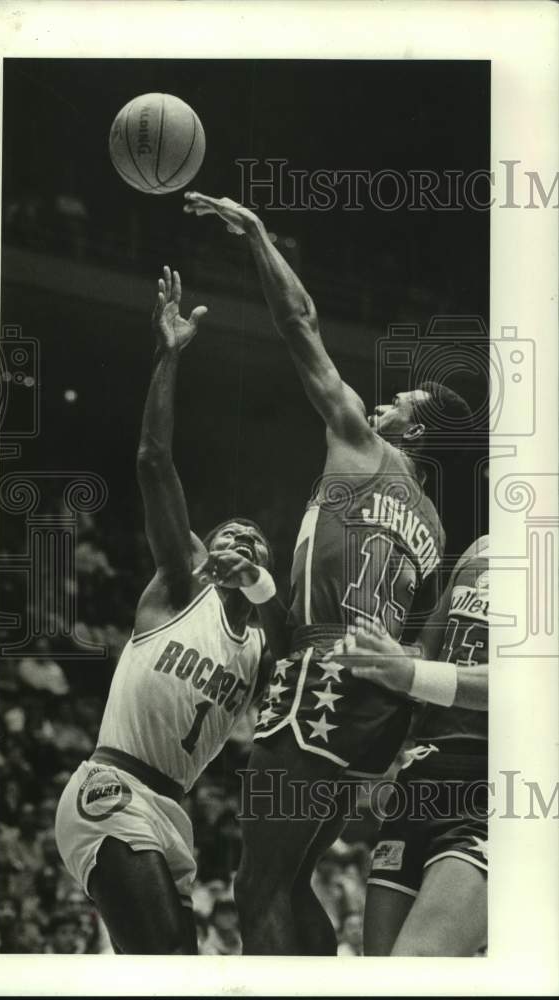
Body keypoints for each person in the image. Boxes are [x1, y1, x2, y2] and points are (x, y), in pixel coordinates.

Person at [185, 191, 473, 955]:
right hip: (375, 709)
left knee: (256, 886)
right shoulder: (436, 530)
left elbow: (299, 323)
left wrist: (254, 239)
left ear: (413, 431)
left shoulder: (360, 448)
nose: (375, 404)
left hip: (320, 681)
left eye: (396, 402)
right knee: (288, 881)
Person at [55, 267, 279, 954]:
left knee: (175, 967)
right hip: (113, 789)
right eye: (226, 533)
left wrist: (270, 592)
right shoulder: (181, 588)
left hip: (172, 816)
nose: (236, 538)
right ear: (207, 552)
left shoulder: (261, 645)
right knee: (166, 971)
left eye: (252, 538)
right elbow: (153, 460)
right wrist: (168, 354)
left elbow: (302, 645)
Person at [327, 535, 489, 955]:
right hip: (421, 778)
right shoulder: (479, 550)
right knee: (382, 969)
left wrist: (408, 672)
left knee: (412, 967)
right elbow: (425, 653)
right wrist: (374, 653)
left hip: (494, 785)